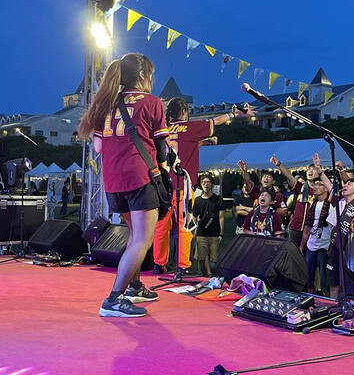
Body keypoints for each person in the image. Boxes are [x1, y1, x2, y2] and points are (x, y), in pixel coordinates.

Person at [78, 53, 167, 318]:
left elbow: (98, 146)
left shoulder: (106, 104)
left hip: (113, 182)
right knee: (142, 238)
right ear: (141, 76)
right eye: (150, 74)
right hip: (140, 178)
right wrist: (163, 172)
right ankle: (114, 299)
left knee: (133, 234)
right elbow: (161, 148)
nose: (151, 79)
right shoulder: (152, 102)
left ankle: (135, 287)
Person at [152, 98, 253, 276]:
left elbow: (180, 148)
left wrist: (204, 143)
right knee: (185, 225)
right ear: (184, 111)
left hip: (164, 186)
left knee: (162, 224)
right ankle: (183, 265)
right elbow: (214, 122)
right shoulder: (188, 127)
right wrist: (234, 113)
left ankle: (158, 264)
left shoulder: (164, 130)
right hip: (183, 185)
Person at [326, 178, 354, 300]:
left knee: (345, 282)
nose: (345, 185)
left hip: (349, 251)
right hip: (335, 246)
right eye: (345, 184)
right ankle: (333, 305)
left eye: (349, 184)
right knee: (333, 281)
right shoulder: (341, 204)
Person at [300, 175, 334, 296]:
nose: (315, 187)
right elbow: (308, 226)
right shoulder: (312, 204)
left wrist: (331, 244)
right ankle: (310, 297)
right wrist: (302, 246)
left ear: (326, 188)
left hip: (324, 245)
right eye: (315, 185)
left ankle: (327, 299)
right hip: (311, 244)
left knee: (324, 277)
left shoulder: (330, 206)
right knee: (308, 274)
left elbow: (335, 227)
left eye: (320, 184)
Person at [192, 174, 225, 276]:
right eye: (204, 182)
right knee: (202, 254)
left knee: (214, 256)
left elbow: (221, 217)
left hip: (214, 232)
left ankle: (214, 272)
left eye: (208, 182)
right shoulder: (197, 200)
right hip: (201, 232)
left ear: (212, 184)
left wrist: (221, 233)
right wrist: (194, 231)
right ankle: (206, 272)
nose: (206, 185)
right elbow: (194, 216)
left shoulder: (218, 199)